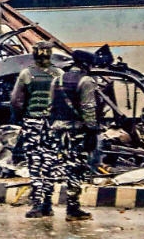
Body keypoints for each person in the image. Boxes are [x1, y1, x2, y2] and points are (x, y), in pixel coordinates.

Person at [10, 40, 63, 219]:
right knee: (50, 162)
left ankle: (37, 204)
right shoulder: (59, 74)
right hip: (53, 124)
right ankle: (47, 203)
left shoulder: (26, 74)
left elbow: (16, 101)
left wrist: (21, 118)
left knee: (35, 163)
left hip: (33, 123)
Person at [48, 49, 99, 221]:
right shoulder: (86, 81)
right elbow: (88, 108)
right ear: (85, 64)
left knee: (53, 167)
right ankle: (73, 208)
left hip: (57, 129)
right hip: (76, 131)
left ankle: (44, 204)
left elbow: (51, 106)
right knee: (76, 169)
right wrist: (92, 131)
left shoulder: (57, 79)